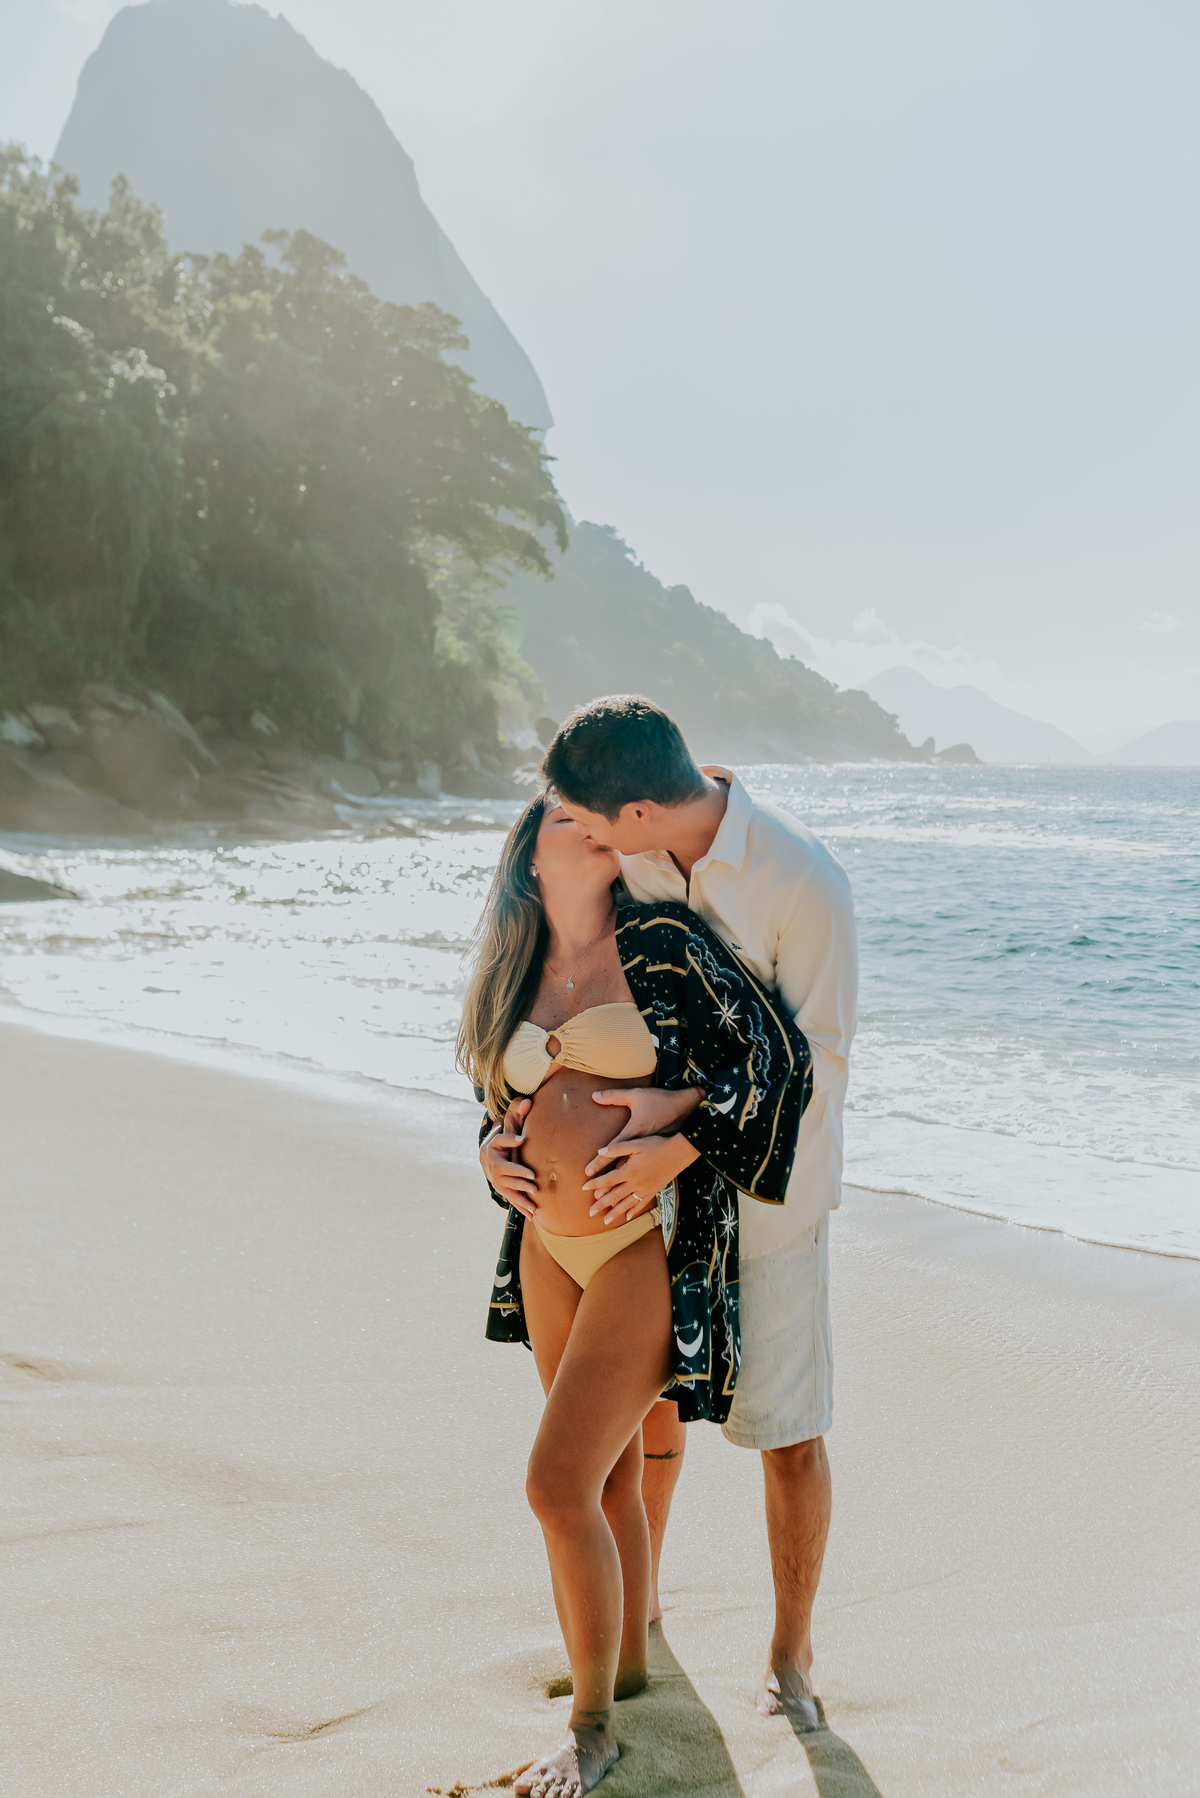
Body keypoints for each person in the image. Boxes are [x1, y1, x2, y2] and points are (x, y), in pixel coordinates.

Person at [484, 695, 857, 1728]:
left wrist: (680, 1127)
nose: (584, 835)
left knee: (784, 1428)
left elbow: (813, 1059)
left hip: (767, 1194)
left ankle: (790, 1655)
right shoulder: (638, 861)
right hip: (639, 1209)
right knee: (640, 1428)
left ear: (638, 814)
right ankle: (635, 1618)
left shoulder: (802, 883)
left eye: (593, 822)